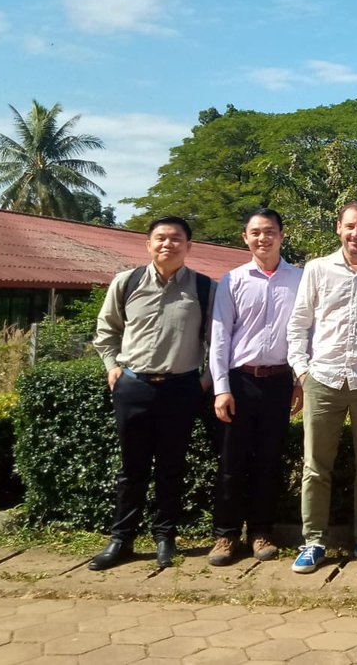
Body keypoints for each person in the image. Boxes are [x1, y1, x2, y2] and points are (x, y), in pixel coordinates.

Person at [90, 216, 214, 570]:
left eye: (176, 239)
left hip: (182, 388)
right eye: (160, 238)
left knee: (172, 467)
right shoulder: (126, 282)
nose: (167, 244)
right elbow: (106, 331)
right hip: (134, 386)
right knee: (132, 468)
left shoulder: (205, 288)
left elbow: (218, 340)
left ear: (189, 246)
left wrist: (205, 379)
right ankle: (122, 539)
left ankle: (165, 536)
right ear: (148, 244)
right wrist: (113, 366)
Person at [287, 201, 357, 574]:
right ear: (338, 228)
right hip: (323, 379)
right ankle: (313, 541)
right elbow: (298, 324)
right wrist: (302, 371)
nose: (356, 233)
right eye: (350, 226)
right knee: (316, 466)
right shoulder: (317, 269)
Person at [208, 208, 304, 566]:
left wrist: (299, 379)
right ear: (245, 237)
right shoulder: (231, 281)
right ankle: (225, 535)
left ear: (282, 235)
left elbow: (304, 333)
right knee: (232, 462)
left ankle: (261, 532)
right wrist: (221, 388)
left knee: (268, 460)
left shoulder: (300, 278)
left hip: (279, 381)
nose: (263, 238)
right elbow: (219, 337)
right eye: (256, 232)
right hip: (239, 380)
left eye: (270, 232)